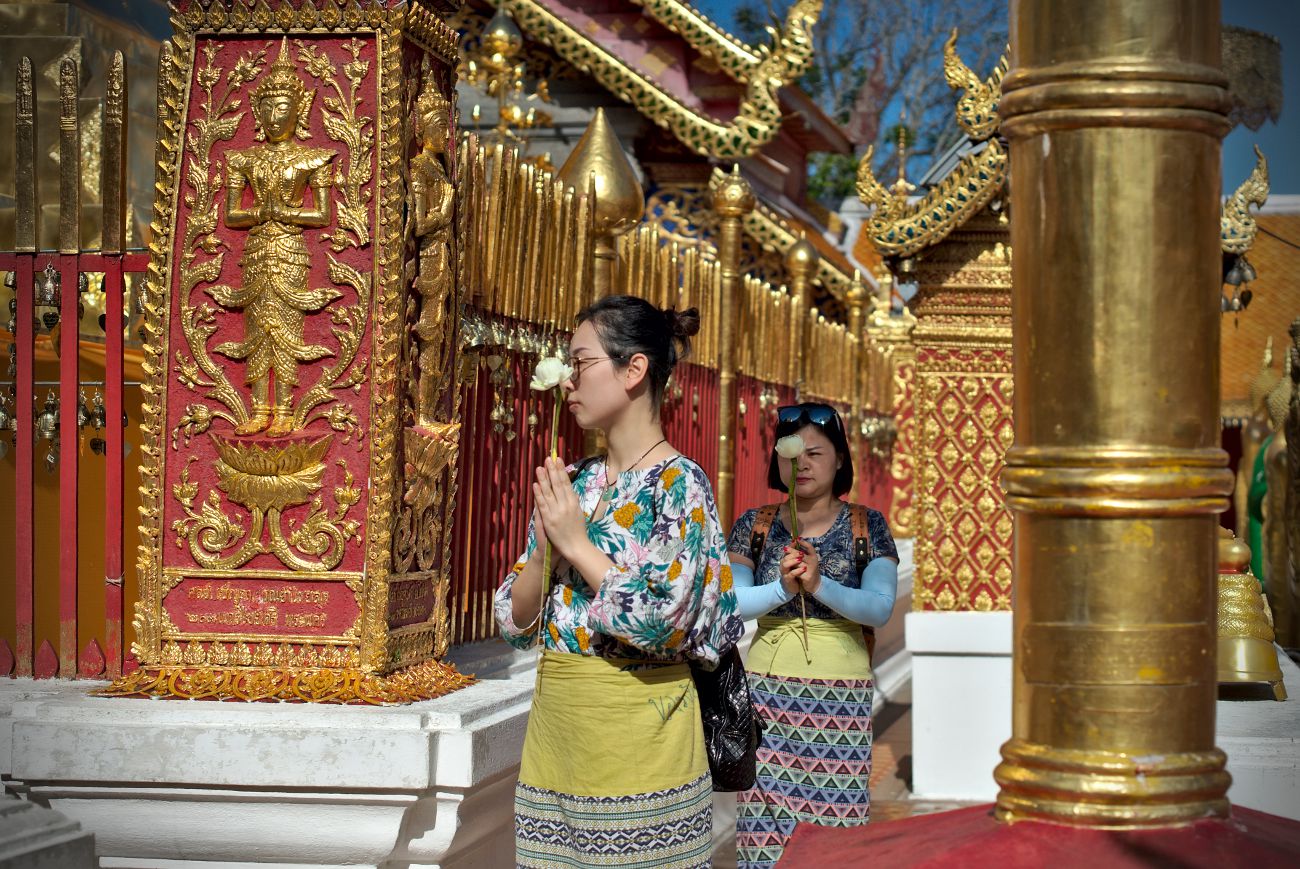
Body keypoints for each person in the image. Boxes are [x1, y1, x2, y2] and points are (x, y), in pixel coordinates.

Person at [494, 295, 744, 868]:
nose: (568, 381)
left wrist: (577, 545)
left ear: (634, 370)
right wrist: (542, 547)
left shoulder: (681, 486)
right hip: (557, 744)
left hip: (641, 742)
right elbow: (513, 621)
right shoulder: (576, 483)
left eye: (581, 364)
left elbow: (662, 621)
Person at [727, 403, 899, 869]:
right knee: (764, 837)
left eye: (815, 453)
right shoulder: (755, 525)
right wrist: (781, 588)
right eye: (791, 454)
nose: (801, 464)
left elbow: (880, 607)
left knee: (836, 831)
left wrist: (821, 584)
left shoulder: (867, 525)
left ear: (840, 460)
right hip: (765, 696)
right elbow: (734, 603)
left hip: (839, 700)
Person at [216, 37, 338, 437]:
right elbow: (232, 214)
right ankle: (259, 408)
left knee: (285, 330)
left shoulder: (311, 157)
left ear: (298, 110)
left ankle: (284, 408)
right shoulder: (244, 158)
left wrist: (283, 212)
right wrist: (258, 214)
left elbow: (321, 214)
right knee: (257, 330)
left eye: (282, 108)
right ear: (257, 111)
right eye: (266, 109)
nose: (273, 117)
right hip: (256, 252)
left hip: (290, 252)